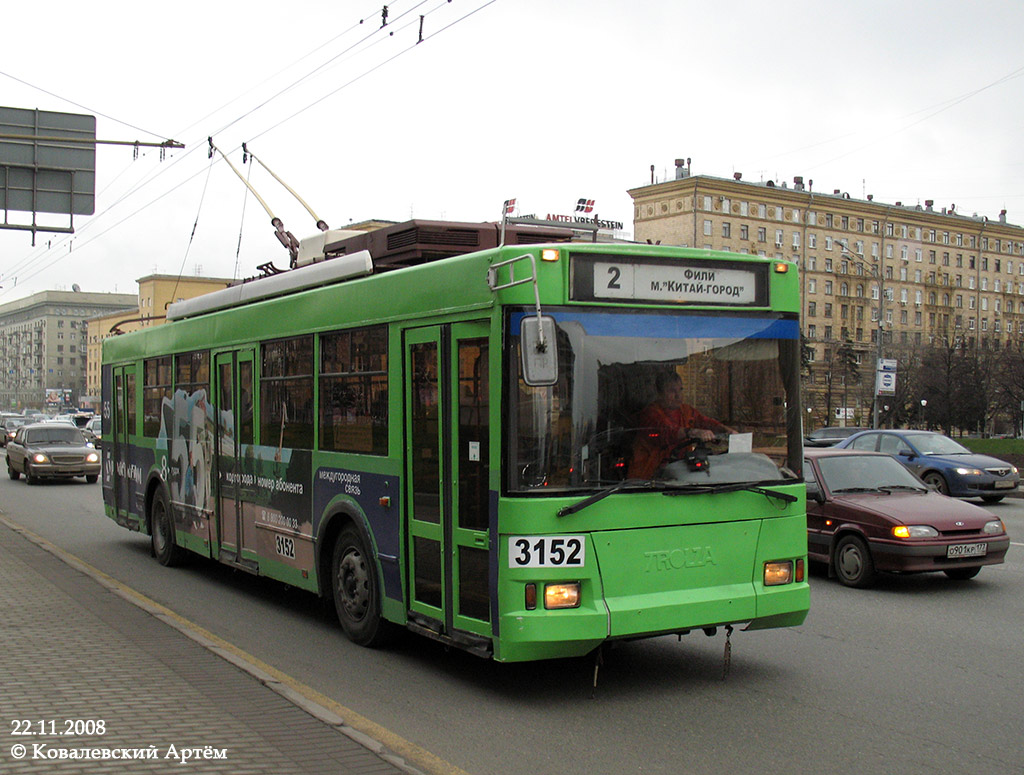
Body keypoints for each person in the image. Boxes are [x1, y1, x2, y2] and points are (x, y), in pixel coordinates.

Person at [629, 371, 731, 479]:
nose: (678, 396)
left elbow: (704, 422)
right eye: (672, 391)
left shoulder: (685, 411)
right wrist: (693, 432)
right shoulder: (651, 414)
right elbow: (667, 432)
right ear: (660, 393)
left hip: (679, 472)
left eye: (680, 390)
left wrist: (725, 430)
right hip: (648, 476)